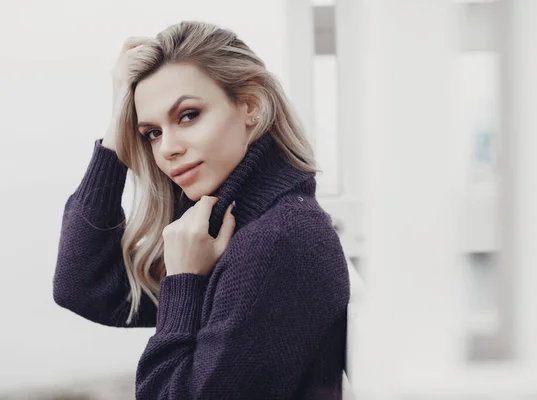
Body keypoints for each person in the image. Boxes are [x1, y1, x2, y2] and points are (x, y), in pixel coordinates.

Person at [52, 20, 350, 399]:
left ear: (251, 106)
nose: (167, 148)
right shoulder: (232, 228)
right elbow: (82, 287)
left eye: (188, 115)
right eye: (152, 133)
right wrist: (116, 132)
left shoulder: (275, 242)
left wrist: (183, 283)